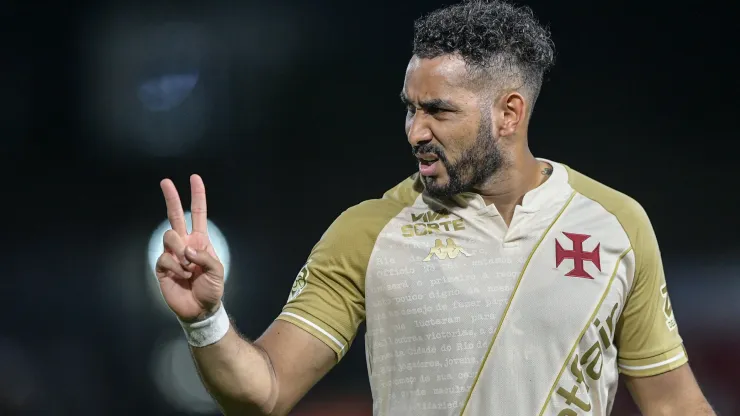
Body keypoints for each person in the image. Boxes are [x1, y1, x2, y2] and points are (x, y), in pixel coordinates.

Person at [154, 1, 714, 415]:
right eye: (409, 109)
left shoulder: (615, 225)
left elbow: (672, 404)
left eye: (438, 111)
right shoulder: (367, 232)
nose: (415, 130)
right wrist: (206, 321)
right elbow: (266, 390)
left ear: (509, 114)